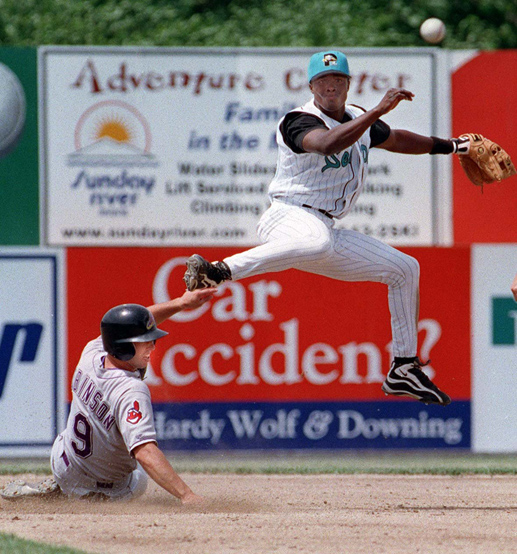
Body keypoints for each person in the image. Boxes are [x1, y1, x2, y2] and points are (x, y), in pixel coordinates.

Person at [183, 50, 471, 407]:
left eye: (337, 79)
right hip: (287, 215)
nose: (330, 85)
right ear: (311, 86)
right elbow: (327, 143)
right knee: (315, 240)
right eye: (323, 80)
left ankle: (403, 366)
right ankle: (219, 271)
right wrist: (377, 111)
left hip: (323, 227)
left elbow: (396, 139)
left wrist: (454, 147)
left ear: (348, 84)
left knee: (404, 268)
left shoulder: (359, 119)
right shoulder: (298, 120)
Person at [0, 289, 215, 502]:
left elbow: (132, 323)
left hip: (63, 463)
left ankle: (63, 487)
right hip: (102, 491)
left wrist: (181, 303)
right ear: (123, 346)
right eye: (144, 341)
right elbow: (145, 453)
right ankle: (76, 495)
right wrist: (187, 495)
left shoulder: (92, 353)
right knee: (139, 474)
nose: (152, 345)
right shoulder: (131, 390)